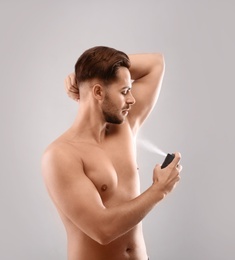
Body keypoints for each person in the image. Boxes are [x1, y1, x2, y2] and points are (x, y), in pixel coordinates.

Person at [42, 46, 182, 260]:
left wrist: (84, 76)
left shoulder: (124, 127)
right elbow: (102, 230)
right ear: (98, 92)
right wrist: (158, 191)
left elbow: (155, 63)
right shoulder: (60, 155)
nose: (132, 100)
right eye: (125, 91)